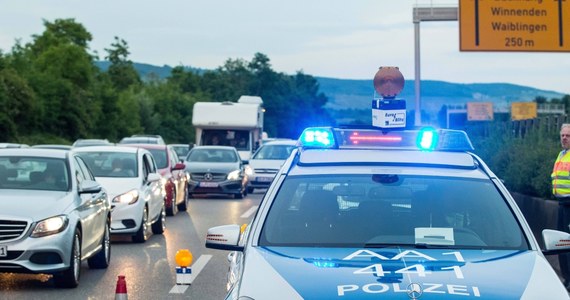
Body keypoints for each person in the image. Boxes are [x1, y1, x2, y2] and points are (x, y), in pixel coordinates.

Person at [551, 123, 570, 289]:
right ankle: (567, 279)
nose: (564, 138)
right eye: (562, 135)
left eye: (568, 136)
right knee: (562, 243)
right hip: (562, 204)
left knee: (567, 243)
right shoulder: (562, 154)